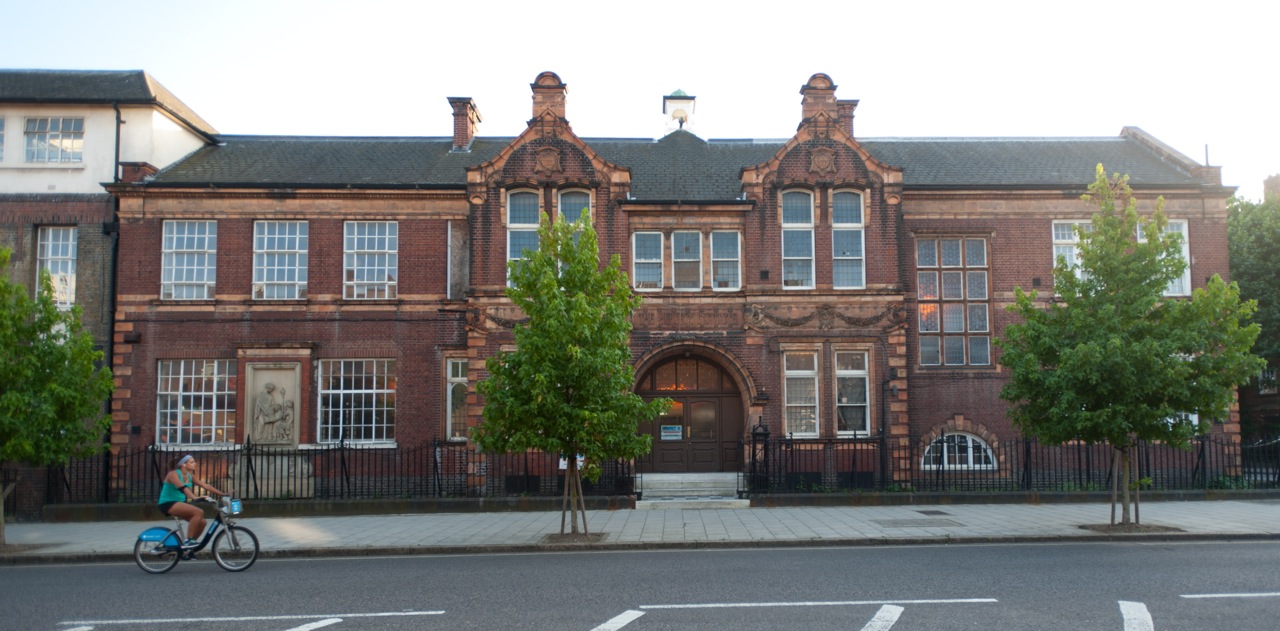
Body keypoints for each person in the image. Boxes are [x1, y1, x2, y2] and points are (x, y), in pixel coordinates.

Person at [157, 454, 227, 547]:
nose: (195, 464)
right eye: (192, 462)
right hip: (167, 503)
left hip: (178, 503)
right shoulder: (173, 474)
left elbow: (205, 485)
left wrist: (222, 494)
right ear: (183, 464)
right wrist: (194, 497)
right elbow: (182, 488)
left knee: (202, 522)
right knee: (198, 512)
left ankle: (189, 549)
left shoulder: (190, 475)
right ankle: (188, 540)